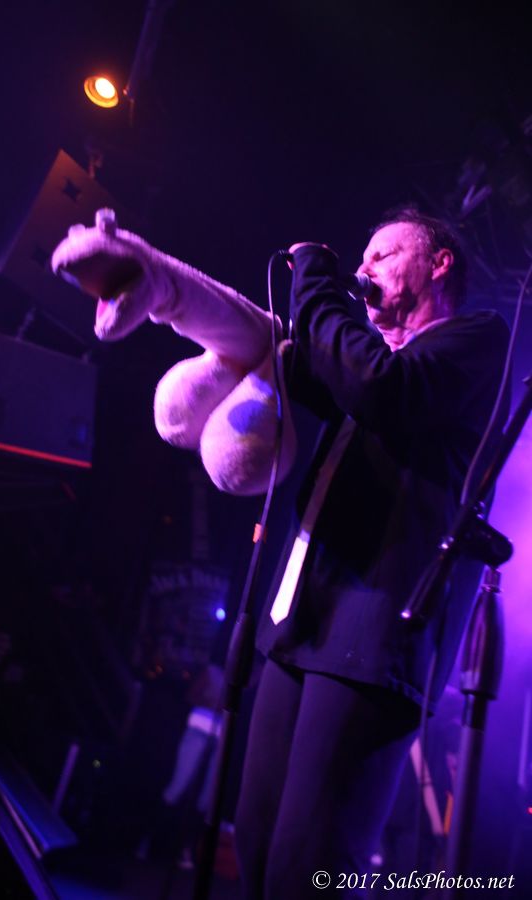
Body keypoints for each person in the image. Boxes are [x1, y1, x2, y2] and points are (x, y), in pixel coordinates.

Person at [52, 207, 509, 897]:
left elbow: (380, 389)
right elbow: (277, 347)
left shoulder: (474, 340)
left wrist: (317, 278)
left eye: (384, 255)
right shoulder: (364, 356)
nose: (365, 268)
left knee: (311, 862)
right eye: (362, 256)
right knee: (258, 845)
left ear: (439, 264)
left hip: (375, 636)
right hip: (300, 624)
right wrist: (166, 285)